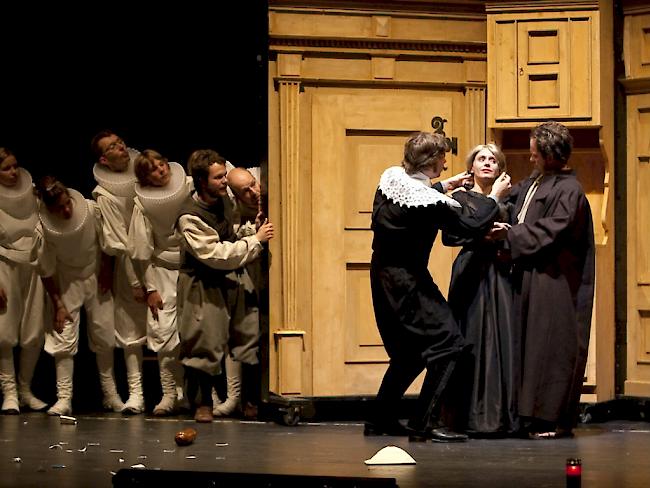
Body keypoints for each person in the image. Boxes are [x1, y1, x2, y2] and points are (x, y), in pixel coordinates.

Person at [366, 132, 511, 442]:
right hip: (408, 282)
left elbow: (415, 199)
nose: (446, 163)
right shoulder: (428, 202)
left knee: (409, 353)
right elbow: (469, 224)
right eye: (443, 158)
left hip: (383, 277)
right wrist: (494, 198)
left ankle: (380, 419)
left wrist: (445, 185)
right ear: (432, 163)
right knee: (450, 344)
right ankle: (423, 423)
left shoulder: (391, 181)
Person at [501, 121, 595, 439]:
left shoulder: (569, 190)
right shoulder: (535, 181)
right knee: (529, 345)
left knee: (549, 345)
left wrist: (510, 235)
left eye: (535, 154)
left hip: (553, 279)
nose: (530, 158)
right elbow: (512, 206)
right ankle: (525, 414)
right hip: (530, 275)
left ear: (551, 155)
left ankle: (548, 418)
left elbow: (553, 229)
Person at [176, 149, 273, 422]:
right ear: (201, 181)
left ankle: (250, 401)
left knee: (248, 335)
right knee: (203, 342)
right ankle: (202, 403)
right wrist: (255, 241)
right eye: (218, 177)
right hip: (203, 281)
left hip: (232, 276)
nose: (224, 181)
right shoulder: (190, 216)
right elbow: (215, 254)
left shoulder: (224, 200)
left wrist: (249, 232)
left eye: (223, 175)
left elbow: (228, 236)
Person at [442, 143, 519, 437]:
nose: (487, 163)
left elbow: (520, 231)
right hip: (470, 271)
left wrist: (507, 234)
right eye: (481, 159)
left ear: (500, 168)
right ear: (471, 167)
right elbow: (450, 236)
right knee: (471, 335)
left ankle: (500, 416)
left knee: (502, 337)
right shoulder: (459, 198)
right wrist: (482, 234)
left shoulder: (511, 199)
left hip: (500, 270)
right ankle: (466, 415)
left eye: (493, 160)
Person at [35, 176, 124, 416]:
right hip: (66, 279)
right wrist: (58, 304)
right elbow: (45, 269)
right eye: (59, 208)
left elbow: (105, 241)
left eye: (67, 203)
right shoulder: (44, 227)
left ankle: (111, 394)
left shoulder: (90, 210)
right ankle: (64, 397)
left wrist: (106, 270)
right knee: (63, 336)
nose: (66, 210)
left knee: (104, 334)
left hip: (94, 272)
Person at [128, 150, 192, 416]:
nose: (161, 170)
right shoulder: (142, 205)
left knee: (195, 332)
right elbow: (141, 250)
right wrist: (150, 288)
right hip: (163, 270)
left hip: (194, 267)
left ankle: (195, 394)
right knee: (164, 333)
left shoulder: (189, 186)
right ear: (146, 178)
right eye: (153, 169)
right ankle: (168, 394)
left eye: (162, 164)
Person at [91, 130, 147, 414]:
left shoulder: (144, 174)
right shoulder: (104, 195)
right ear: (104, 158)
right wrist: (135, 279)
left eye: (120, 142)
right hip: (130, 265)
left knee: (169, 327)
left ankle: (178, 392)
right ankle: (136, 393)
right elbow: (119, 243)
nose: (121, 147)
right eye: (112, 146)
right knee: (130, 330)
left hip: (158, 258)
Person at [209, 166, 264, 418]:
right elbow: (229, 246)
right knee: (242, 336)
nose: (254, 192)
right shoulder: (231, 212)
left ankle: (253, 398)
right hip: (246, 277)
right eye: (246, 190)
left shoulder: (271, 196)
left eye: (253, 184)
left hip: (271, 279)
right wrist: (253, 234)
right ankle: (237, 397)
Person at [0, 148, 48, 414]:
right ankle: (9, 393)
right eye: (6, 168)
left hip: (33, 263)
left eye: (14, 166)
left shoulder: (31, 193)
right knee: (4, 331)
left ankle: (25, 389)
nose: (13, 172)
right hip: (4, 264)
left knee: (33, 329)